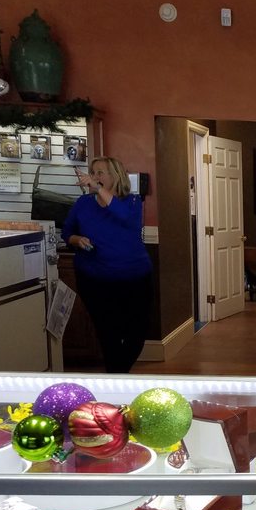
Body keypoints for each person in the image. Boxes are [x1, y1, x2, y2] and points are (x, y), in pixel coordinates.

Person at [62, 156, 152, 373]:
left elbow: (122, 216)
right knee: (107, 333)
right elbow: (67, 232)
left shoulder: (132, 202)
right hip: (94, 279)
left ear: (115, 176)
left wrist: (98, 189)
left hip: (135, 279)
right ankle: (117, 378)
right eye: (92, 173)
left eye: (100, 173)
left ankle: (117, 375)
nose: (94, 177)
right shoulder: (83, 203)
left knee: (136, 333)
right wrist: (77, 240)